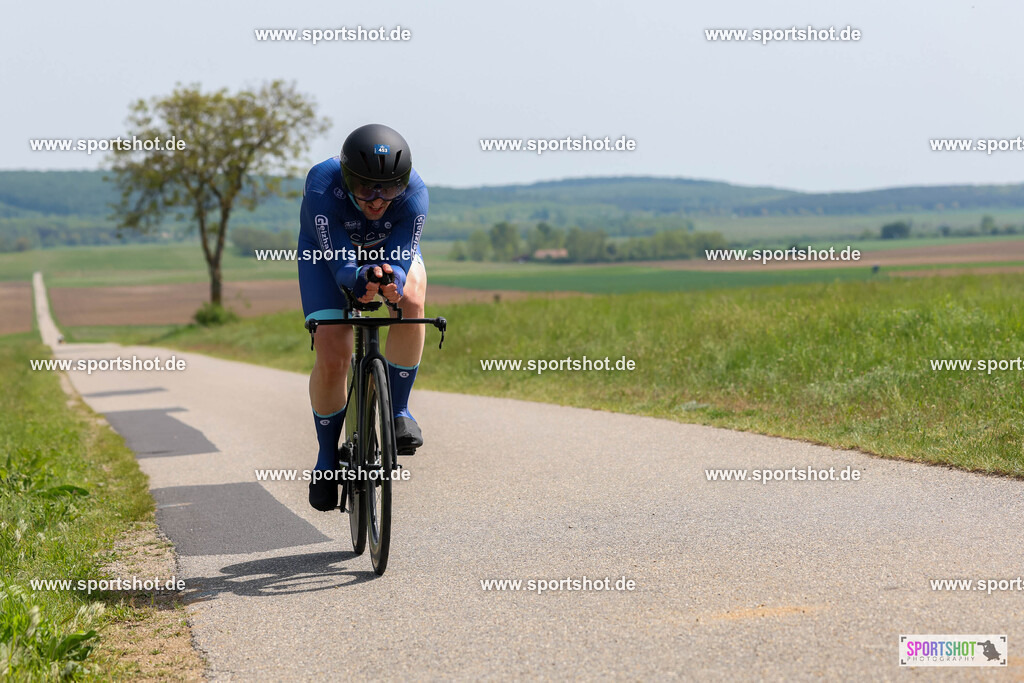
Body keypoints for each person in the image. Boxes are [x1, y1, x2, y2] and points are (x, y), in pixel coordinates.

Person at [297, 124, 428, 511]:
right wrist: (358, 279)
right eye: (366, 187)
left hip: (386, 250)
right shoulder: (323, 183)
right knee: (333, 351)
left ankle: (399, 410)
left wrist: (393, 282)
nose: (377, 200)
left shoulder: (415, 193)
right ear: (347, 176)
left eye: (389, 189)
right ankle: (326, 459)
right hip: (326, 255)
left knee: (412, 303)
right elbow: (339, 263)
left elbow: (404, 256)